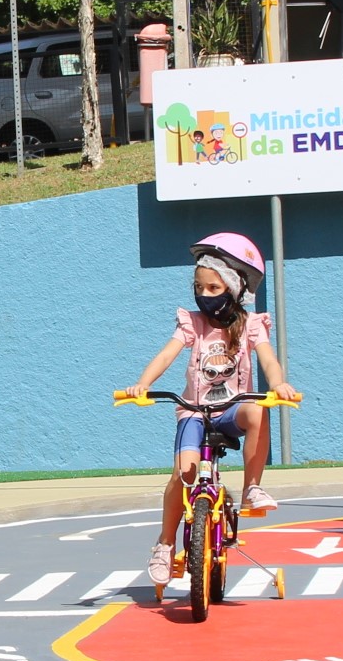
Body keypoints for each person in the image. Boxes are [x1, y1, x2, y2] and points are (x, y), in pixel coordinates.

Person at [126, 232, 297, 586]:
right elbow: (167, 354)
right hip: (194, 411)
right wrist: (142, 383)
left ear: (234, 288)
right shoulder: (193, 322)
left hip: (231, 411)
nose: (204, 295)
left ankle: (252, 488)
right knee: (183, 475)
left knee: (257, 409)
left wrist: (278, 384)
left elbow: (268, 359)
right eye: (198, 287)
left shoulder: (252, 324)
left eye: (213, 288)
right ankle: (165, 543)